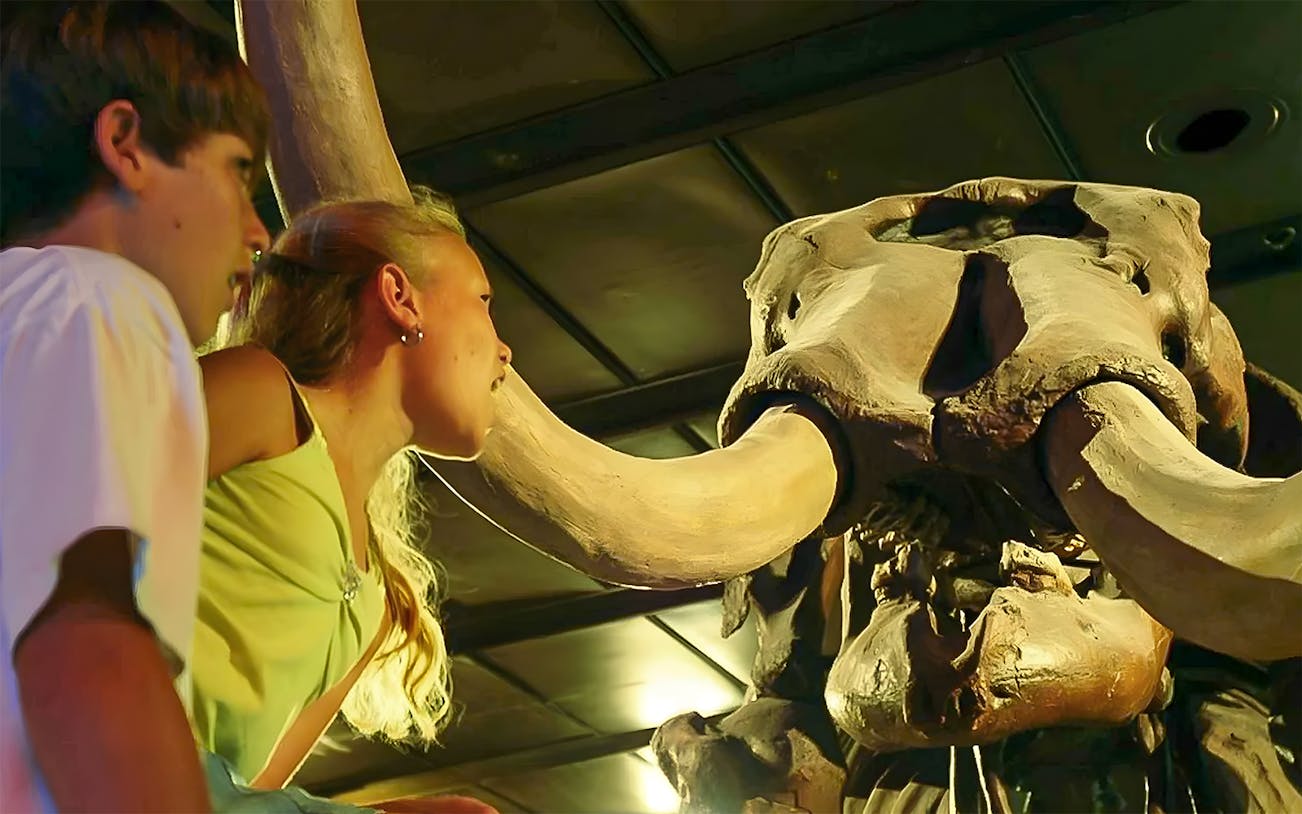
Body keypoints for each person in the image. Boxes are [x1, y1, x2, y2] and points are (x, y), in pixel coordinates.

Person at [0, 1, 270, 811]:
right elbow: (83, 642)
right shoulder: (103, 299)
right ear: (126, 144)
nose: (260, 231)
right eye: (238, 170)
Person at [195, 188, 509, 811]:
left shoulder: (374, 600)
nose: (504, 351)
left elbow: (255, 788)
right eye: (482, 301)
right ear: (399, 297)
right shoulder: (257, 393)